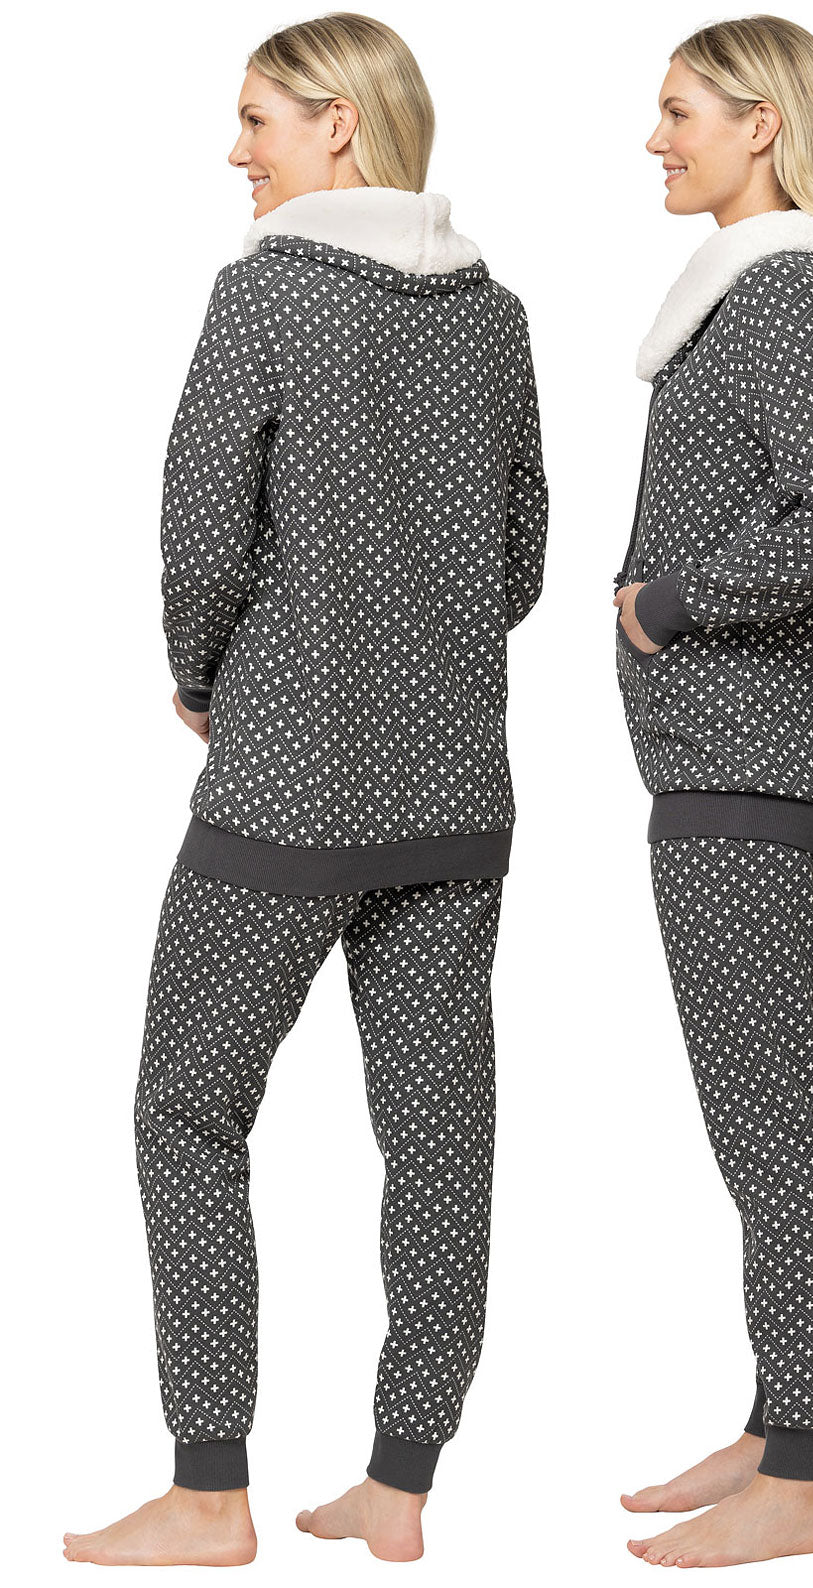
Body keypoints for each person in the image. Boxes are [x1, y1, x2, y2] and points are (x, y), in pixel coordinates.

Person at [63, 11, 546, 1568]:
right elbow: (520, 561)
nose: (235, 152)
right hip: (456, 791)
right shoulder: (495, 315)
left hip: (286, 782)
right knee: (441, 1132)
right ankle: (400, 1488)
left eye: (257, 120)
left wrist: (204, 673)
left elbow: (201, 526)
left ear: (339, 123)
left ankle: (211, 1494)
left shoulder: (266, 293)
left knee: (189, 1109)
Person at [612, 15, 813, 1569]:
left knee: (774, 1122)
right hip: (723, 758)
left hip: (748, 758)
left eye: (679, 112)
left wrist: (671, 605)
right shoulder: (754, 287)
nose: (656, 140)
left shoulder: (782, 283)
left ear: (762, 125)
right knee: (756, 1118)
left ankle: (806, 1478)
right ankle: (779, 1422)